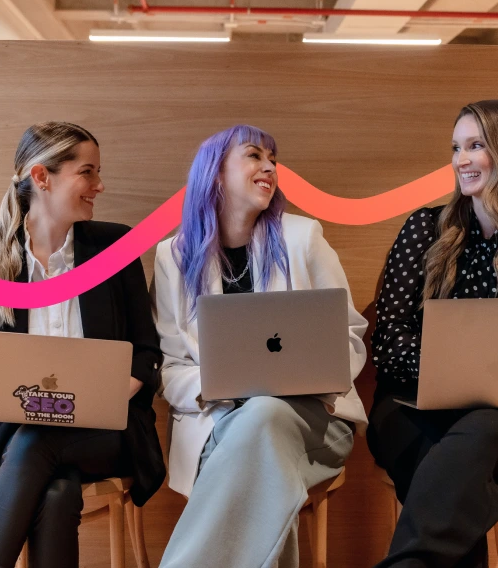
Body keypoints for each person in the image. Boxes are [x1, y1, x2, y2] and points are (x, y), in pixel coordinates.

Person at [367, 99, 498, 568]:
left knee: (479, 432)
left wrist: (481, 381)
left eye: (475, 146)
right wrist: (446, 369)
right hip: (409, 409)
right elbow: (388, 341)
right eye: (457, 147)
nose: (461, 159)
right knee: (451, 475)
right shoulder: (424, 228)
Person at [153, 124, 368, 568]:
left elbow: (349, 335)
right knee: (263, 455)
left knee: (266, 411)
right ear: (215, 174)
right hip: (218, 422)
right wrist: (220, 385)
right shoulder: (172, 256)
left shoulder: (303, 237)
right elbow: (169, 367)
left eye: (273, 158)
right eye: (254, 155)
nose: (269, 166)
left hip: (314, 422)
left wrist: (308, 375)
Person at [0, 122, 165, 568]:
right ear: (42, 177)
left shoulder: (116, 247)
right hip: (19, 432)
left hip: (107, 431)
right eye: (86, 173)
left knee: (38, 440)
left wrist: (104, 397)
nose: (99, 185)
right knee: (56, 490)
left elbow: (148, 354)